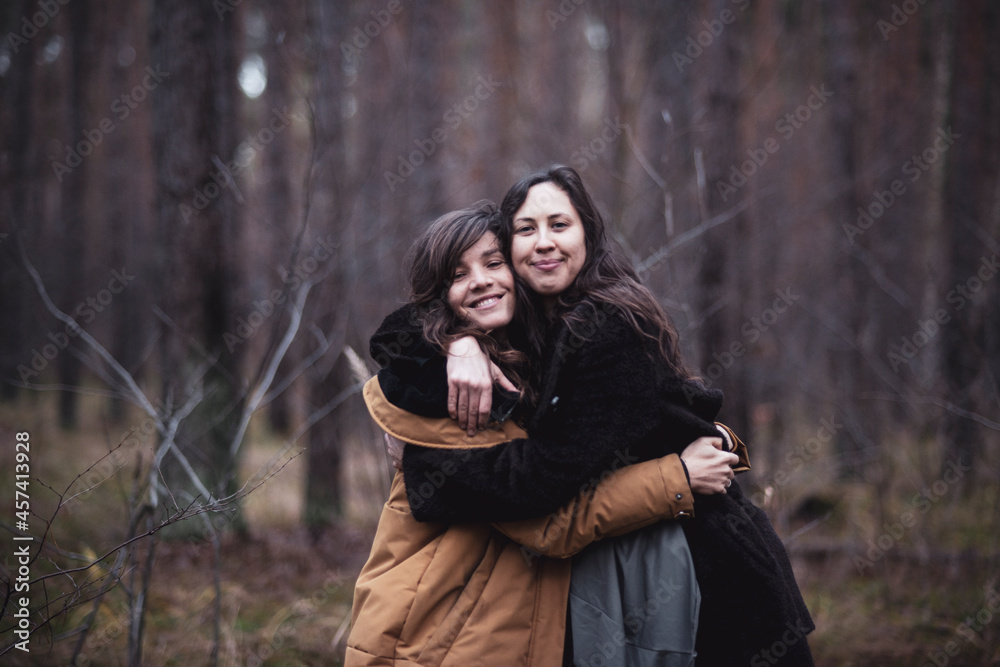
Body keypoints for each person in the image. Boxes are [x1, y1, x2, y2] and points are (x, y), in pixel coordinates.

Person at [392, 166, 815, 665]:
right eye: (527, 230)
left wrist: (427, 473)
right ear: (509, 253)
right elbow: (396, 331)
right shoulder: (532, 323)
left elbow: (544, 479)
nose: (544, 243)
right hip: (635, 570)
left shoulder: (608, 326)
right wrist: (459, 342)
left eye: (560, 225)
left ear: (588, 233)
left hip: (709, 575)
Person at [345, 202, 738, 666]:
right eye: (458, 275)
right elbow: (549, 521)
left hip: (480, 626)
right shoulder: (452, 392)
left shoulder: (525, 357)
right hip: (431, 638)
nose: (481, 281)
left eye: (494, 263)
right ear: (439, 297)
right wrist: (677, 479)